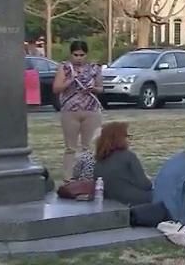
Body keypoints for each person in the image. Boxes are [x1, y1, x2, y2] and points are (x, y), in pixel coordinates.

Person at [53, 40, 103, 180]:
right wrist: (70, 81)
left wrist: (93, 89)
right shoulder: (65, 68)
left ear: (86, 54)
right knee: (70, 147)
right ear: (71, 54)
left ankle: (87, 177)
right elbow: (56, 88)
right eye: (76, 55)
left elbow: (101, 88)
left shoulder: (94, 68)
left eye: (82, 55)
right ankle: (68, 178)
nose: (79, 58)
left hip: (91, 110)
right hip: (70, 111)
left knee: (89, 147)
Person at [93, 122, 153, 206]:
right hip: (134, 199)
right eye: (127, 136)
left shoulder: (99, 159)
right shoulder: (128, 156)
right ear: (120, 138)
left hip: (111, 199)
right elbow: (145, 185)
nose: (129, 139)